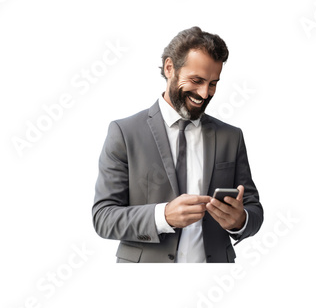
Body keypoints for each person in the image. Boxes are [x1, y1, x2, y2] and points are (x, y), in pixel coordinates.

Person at [92, 26, 263, 263]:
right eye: (197, 80)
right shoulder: (124, 133)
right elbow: (103, 218)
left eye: (213, 83)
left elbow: (254, 210)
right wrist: (163, 216)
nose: (205, 94)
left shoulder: (231, 137)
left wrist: (240, 221)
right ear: (169, 68)